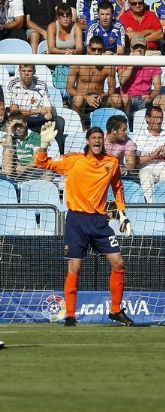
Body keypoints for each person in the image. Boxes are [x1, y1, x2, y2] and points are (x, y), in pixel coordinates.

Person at [34, 122, 134, 326]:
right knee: (75, 266)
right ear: (88, 141)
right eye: (93, 137)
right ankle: (70, 315)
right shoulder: (74, 161)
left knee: (118, 262)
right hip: (77, 220)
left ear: (103, 141)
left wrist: (122, 212)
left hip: (99, 222)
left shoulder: (112, 162)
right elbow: (43, 164)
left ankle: (115, 310)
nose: (97, 140)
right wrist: (43, 145)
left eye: (99, 138)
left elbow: (117, 186)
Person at [4, 64, 67, 155]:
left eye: (29, 71)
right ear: (19, 71)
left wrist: (48, 112)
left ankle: (60, 155)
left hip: (38, 119)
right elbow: (15, 111)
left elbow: (48, 106)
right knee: (15, 120)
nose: (26, 74)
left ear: (34, 72)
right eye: (23, 71)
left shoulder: (41, 85)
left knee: (59, 121)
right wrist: (37, 111)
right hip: (20, 120)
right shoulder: (12, 84)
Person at [66, 37, 122, 127]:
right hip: (82, 97)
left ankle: (111, 126)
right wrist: (86, 97)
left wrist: (102, 96)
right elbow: (69, 88)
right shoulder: (77, 64)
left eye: (99, 50)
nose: (96, 53)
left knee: (117, 99)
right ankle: (81, 127)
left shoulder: (108, 66)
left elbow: (112, 90)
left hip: (99, 98)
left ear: (103, 50)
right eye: (93, 49)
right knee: (78, 99)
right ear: (88, 48)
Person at [117, 36, 165, 117]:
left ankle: (160, 126)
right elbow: (122, 81)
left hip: (145, 99)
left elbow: (157, 88)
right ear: (131, 49)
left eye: (141, 46)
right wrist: (132, 64)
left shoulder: (152, 63)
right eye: (136, 47)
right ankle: (127, 123)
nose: (139, 49)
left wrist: (151, 96)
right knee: (122, 99)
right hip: (128, 99)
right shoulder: (123, 61)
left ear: (146, 48)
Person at [2, 111, 53, 181]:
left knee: (48, 174)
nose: (18, 129)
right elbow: (7, 156)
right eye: (14, 126)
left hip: (31, 171)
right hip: (12, 170)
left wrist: (24, 168)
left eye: (20, 125)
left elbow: (37, 159)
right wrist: (9, 132)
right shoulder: (7, 137)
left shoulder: (36, 137)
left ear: (25, 123)